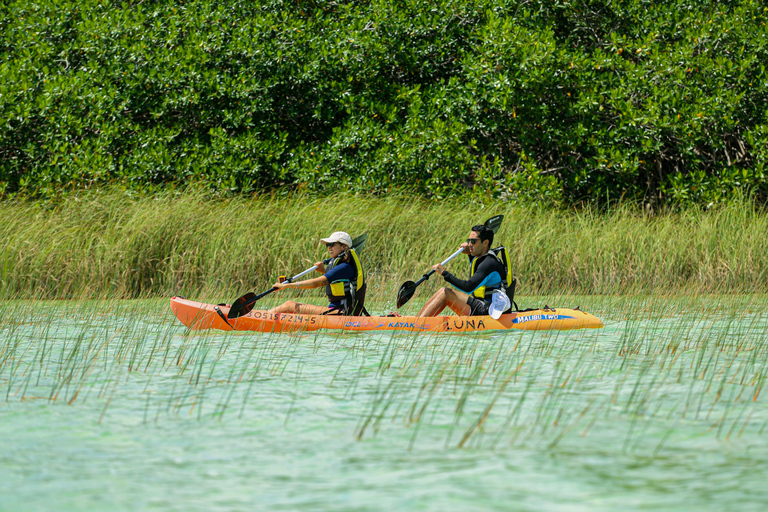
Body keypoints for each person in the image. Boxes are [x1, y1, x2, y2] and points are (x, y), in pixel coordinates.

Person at [417, 223, 508, 318]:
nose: (469, 244)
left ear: (485, 243)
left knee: (445, 293)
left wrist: (444, 273)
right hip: (482, 305)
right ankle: (415, 320)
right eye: (469, 240)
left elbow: (468, 288)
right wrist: (470, 253)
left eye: (473, 241)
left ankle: (416, 324)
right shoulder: (484, 258)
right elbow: (478, 267)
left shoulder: (489, 263)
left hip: (489, 310)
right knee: (442, 291)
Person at [267, 231, 367, 316]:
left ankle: (262, 316)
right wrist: (324, 270)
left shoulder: (344, 267)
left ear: (343, 246)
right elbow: (338, 279)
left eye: (332, 244)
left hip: (341, 313)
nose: (329, 247)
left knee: (289, 305)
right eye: (328, 245)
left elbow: (316, 283)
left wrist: (287, 285)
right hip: (339, 311)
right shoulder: (345, 266)